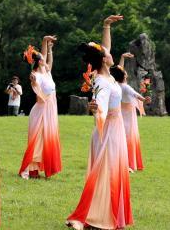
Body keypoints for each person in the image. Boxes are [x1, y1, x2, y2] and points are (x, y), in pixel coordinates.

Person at [66, 15, 133, 230]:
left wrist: (106, 26)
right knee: (105, 172)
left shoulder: (106, 76)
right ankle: (90, 217)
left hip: (115, 129)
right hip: (109, 131)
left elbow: (105, 47)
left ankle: (103, 214)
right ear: (104, 60)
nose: (110, 53)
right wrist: (96, 110)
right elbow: (100, 106)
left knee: (111, 172)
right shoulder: (102, 81)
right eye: (108, 54)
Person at [18, 35, 62, 179]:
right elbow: (37, 90)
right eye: (42, 57)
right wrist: (34, 82)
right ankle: (31, 170)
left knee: (48, 138)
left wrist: (47, 45)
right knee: (38, 139)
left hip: (50, 108)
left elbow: (49, 60)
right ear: (39, 61)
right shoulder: (36, 75)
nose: (44, 58)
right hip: (42, 109)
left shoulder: (46, 71)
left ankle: (45, 168)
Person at [112, 52, 147, 173]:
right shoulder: (125, 87)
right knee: (129, 138)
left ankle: (121, 161)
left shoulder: (115, 85)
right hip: (128, 115)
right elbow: (136, 94)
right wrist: (145, 99)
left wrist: (122, 57)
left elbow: (118, 70)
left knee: (121, 137)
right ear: (124, 76)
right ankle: (129, 163)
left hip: (120, 112)